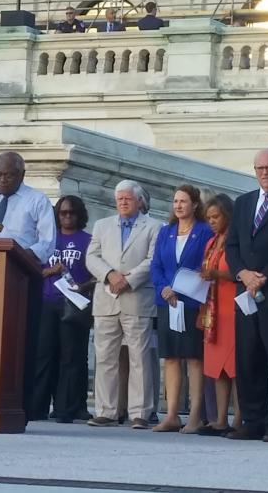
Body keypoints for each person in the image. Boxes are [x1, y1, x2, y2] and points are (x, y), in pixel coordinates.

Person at [0, 151, 57, 420]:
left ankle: (21, 403)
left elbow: (47, 241)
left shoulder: (36, 200)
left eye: (8, 175)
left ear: (21, 174)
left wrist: (22, 255)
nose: (3, 180)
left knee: (20, 340)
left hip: (20, 278)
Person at [224, 148, 268, 441]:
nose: (265, 172)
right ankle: (253, 419)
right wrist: (243, 274)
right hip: (245, 293)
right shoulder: (244, 202)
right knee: (247, 358)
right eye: (259, 168)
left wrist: (262, 275)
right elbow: (232, 246)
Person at [86, 181, 161, 430]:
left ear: (139, 201)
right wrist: (109, 275)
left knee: (139, 356)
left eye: (128, 198)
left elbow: (153, 259)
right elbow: (91, 256)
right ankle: (106, 410)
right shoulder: (102, 225)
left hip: (136, 297)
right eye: (119, 199)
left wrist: (128, 280)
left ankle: (140, 412)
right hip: (106, 297)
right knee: (105, 356)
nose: (123, 202)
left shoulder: (153, 226)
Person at [149, 185, 214, 433]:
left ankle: (195, 415)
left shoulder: (204, 231)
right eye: (175, 201)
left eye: (183, 201)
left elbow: (205, 266)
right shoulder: (166, 232)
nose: (178, 206)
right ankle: (172, 413)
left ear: (195, 204)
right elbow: (156, 265)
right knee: (172, 358)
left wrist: (182, 289)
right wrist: (164, 287)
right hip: (167, 302)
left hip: (191, 301)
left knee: (194, 358)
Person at [31, 195, 95, 424]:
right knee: (44, 355)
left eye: (71, 213)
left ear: (79, 215)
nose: (67, 217)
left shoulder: (87, 240)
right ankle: (37, 406)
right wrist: (49, 271)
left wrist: (83, 286)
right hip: (47, 301)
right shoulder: (47, 240)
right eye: (62, 213)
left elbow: (96, 275)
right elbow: (32, 268)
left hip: (73, 303)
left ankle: (65, 408)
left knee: (71, 357)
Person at [197, 193, 241, 436]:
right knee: (218, 368)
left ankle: (239, 419)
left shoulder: (237, 240)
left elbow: (239, 271)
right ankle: (220, 418)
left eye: (216, 216)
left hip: (231, 305)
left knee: (235, 367)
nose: (212, 221)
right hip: (213, 309)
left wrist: (216, 275)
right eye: (209, 218)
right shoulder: (211, 242)